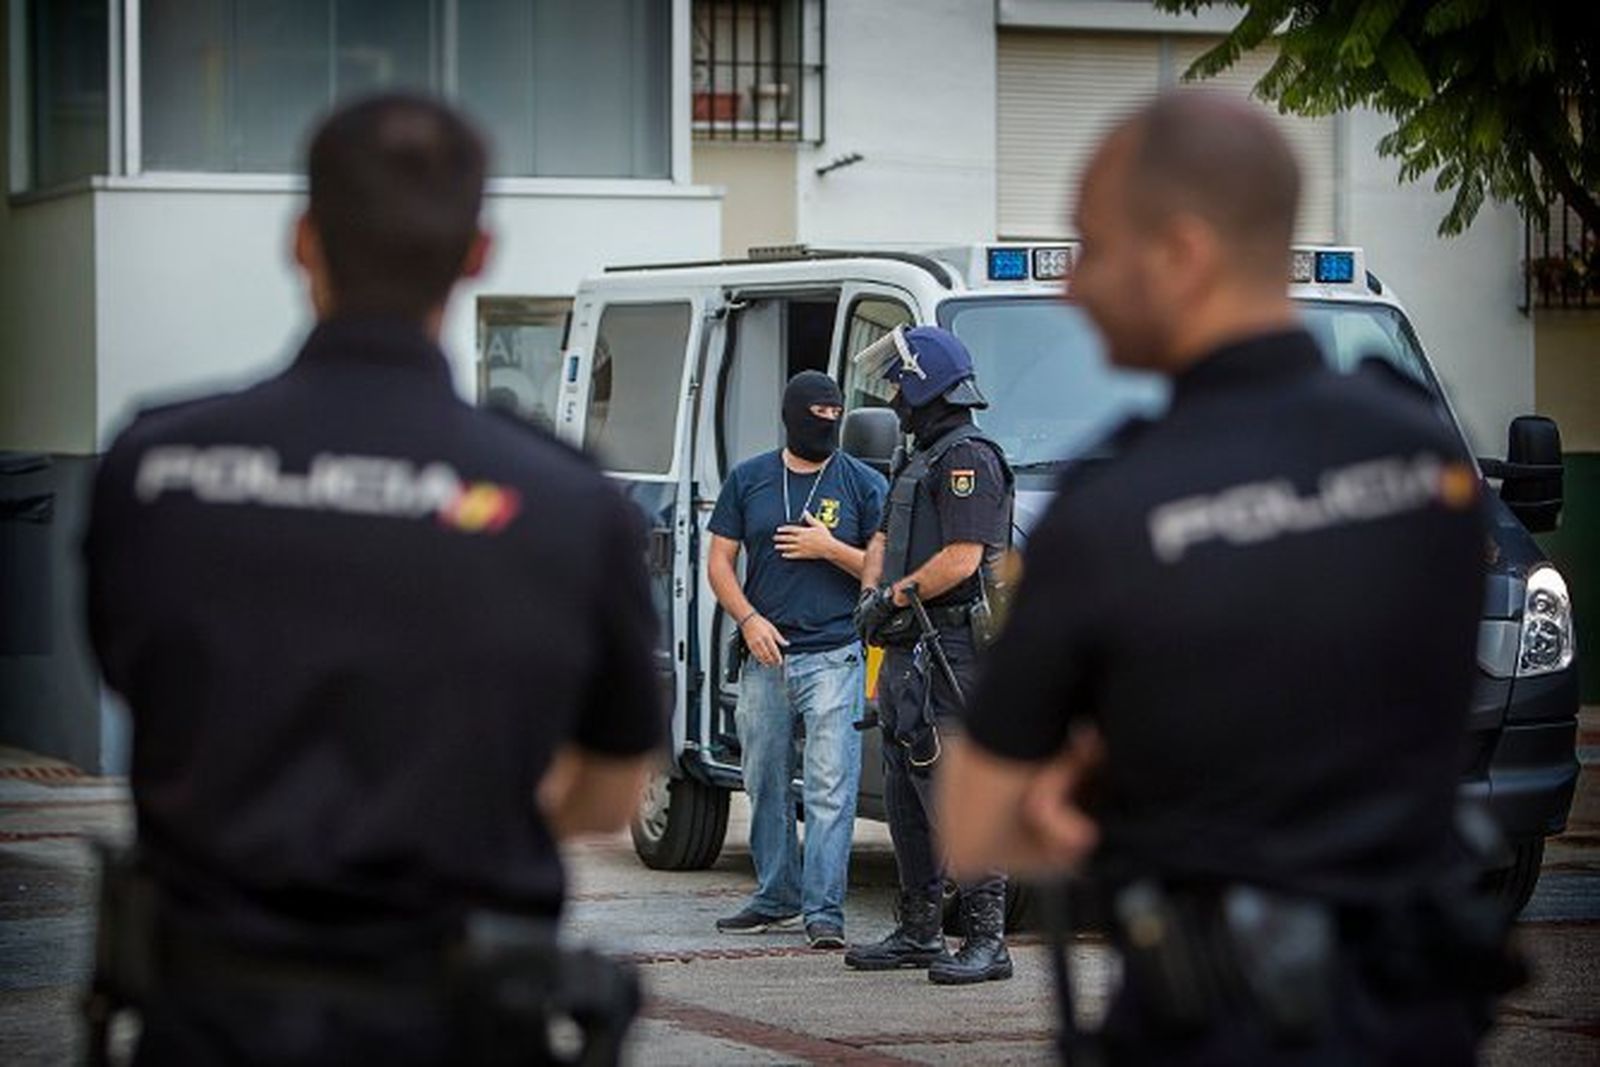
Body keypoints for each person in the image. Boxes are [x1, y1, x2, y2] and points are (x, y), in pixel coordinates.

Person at [82, 94, 662, 1065]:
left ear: (301, 240)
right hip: (457, 1025)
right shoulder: (565, 499)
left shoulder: (152, 464)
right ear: (479, 251)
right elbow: (609, 793)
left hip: (206, 1021)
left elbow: (136, 678)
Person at [941, 91, 1514, 1063]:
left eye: (1091, 245)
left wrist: (1097, 780)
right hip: (1420, 1016)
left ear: (1181, 251)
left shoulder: (1115, 506)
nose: (1075, 286)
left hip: (1212, 1026)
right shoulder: (1426, 456)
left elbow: (972, 821)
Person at [845, 327, 1016, 985]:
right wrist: (872, 593)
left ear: (925, 385)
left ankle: (986, 940)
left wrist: (892, 594)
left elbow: (962, 559)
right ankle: (919, 930)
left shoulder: (967, 458)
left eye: (899, 382)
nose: (892, 395)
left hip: (949, 645)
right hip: (906, 645)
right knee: (904, 789)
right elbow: (885, 534)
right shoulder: (918, 457)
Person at [706, 371, 887, 949]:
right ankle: (775, 893)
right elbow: (718, 563)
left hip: (836, 655)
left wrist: (828, 548)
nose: (827, 423)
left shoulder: (861, 482)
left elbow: (882, 573)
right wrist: (750, 620)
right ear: (790, 416)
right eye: (817, 414)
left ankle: (823, 911)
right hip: (766, 657)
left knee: (831, 787)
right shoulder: (750, 479)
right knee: (764, 781)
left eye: (836, 415)